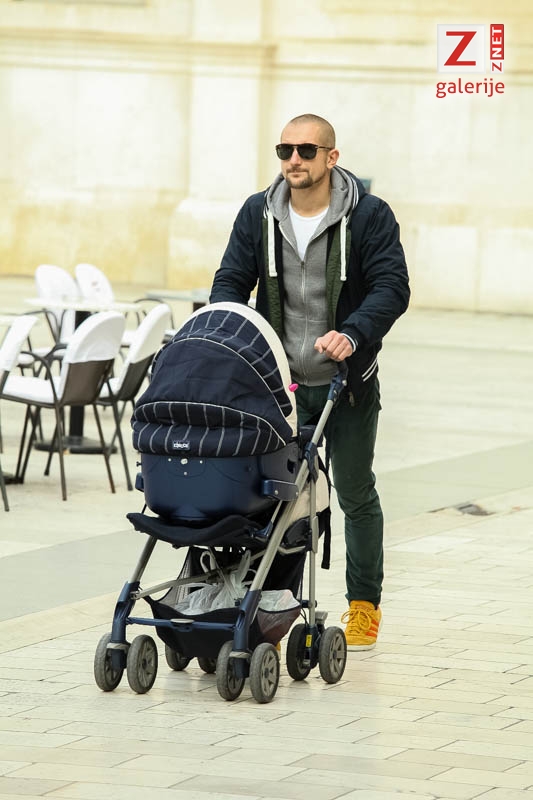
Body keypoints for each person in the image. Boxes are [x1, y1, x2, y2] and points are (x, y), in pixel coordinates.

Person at [210, 113, 410, 650]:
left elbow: (392, 287)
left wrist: (353, 333)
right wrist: (228, 331)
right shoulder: (258, 213)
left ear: (331, 157)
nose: (293, 160)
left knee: (354, 491)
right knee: (277, 498)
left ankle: (364, 605)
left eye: (305, 150)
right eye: (285, 150)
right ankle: (273, 609)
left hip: (346, 381)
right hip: (277, 385)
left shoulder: (368, 216)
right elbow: (230, 280)